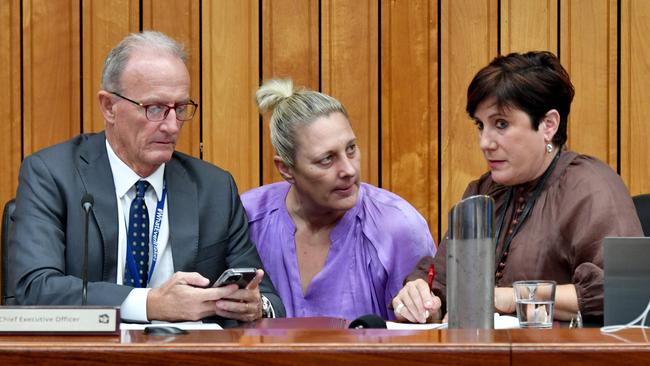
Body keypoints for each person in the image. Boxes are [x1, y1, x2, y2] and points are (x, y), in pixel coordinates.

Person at [7, 31, 284, 324]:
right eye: (155, 109)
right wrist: (150, 304)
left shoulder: (213, 188)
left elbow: (268, 298)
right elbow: (34, 288)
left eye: (180, 109)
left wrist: (256, 306)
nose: (172, 126)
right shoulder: (52, 174)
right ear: (109, 107)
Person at [392, 51, 643, 324]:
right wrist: (421, 300)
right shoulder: (483, 192)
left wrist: (510, 298)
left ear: (548, 125)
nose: (485, 142)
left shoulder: (592, 187)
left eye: (501, 124)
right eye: (480, 125)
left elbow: (625, 292)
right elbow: (441, 284)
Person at [240, 79, 436, 320]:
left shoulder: (398, 226)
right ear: (286, 169)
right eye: (327, 159)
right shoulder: (247, 218)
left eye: (351, 149)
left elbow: (426, 334)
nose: (349, 170)